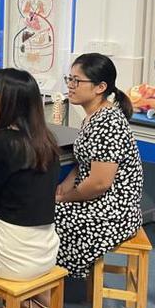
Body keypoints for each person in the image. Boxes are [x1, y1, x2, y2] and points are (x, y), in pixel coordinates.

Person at [0, 69, 61, 308]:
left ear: (6, 100)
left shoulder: (1, 144)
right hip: (46, 252)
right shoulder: (47, 141)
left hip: (12, 258)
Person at [53, 53, 143, 281]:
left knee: (48, 215)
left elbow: (100, 183)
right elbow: (86, 161)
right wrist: (67, 183)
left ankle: (50, 284)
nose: (70, 86)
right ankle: (48, 279)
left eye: (77, 81)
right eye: (69, 79)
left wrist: (65, 198)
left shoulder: (108, 122)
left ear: (100, 87)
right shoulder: (93, 116)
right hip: (101, 201)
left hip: (115, 212)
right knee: (46, 206)